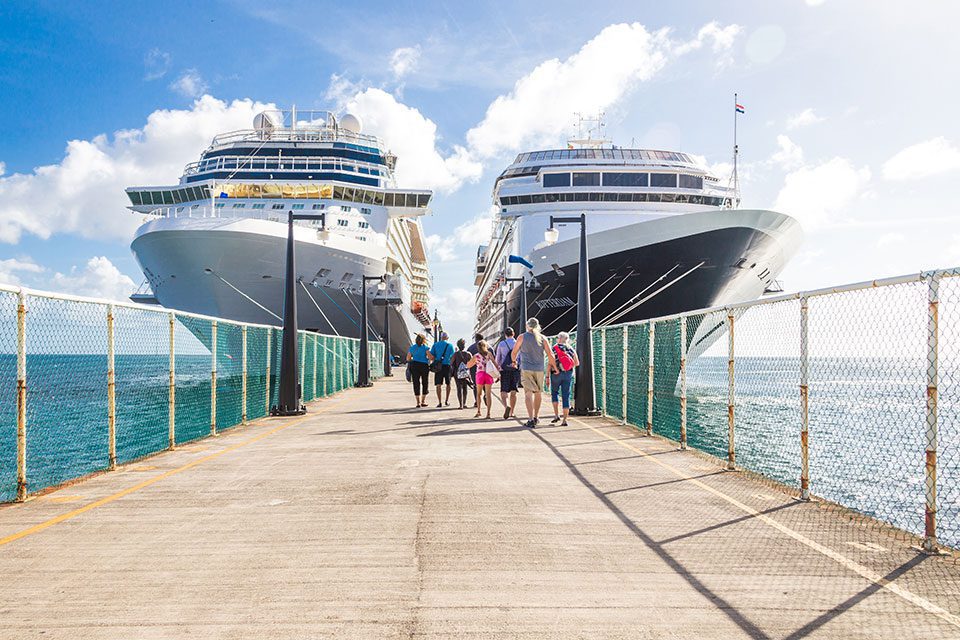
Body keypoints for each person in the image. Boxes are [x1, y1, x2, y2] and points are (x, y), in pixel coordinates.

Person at [511, 317, 558, 428]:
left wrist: (514, 362)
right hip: (539, 369)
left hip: (526, 368)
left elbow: (514, 352)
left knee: (528, 394)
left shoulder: (522, 337)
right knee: (538, 393)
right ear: (538, 326)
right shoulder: (543, 338)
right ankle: (536, 417)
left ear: (528, 326)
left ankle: (530, 419)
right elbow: (550, 355)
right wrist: (555, 368)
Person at [549, 332, 579, 426]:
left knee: (555, 393)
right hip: (568, 374)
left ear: (559, 338)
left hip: (556, 374)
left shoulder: (554, 348)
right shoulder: (571, 349)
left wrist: (547, 375)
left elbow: (550, 362)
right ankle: (565, 420)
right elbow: (577, 363)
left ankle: (556, 415)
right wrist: (567, 367)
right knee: (566, 396)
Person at [466, 340, 499, 419]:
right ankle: (488, 413)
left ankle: (479, 411)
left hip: (480, 374)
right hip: (488, 374)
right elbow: (495, 364)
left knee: (478, 394)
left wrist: (474, 362)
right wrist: (498, 374)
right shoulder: (489, 354)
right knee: (488, 395)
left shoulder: (476, 356)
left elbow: (468, 365)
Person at [496, 327, 520, 419]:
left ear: (505, 335)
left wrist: (498, 369)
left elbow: (498, 358)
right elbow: (520, 357)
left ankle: (506, 407)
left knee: (503, 391)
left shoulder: (501, 344)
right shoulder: (517, 343)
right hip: (515, 369)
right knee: (513, 391)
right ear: (513, 334)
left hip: (504, 369)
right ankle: (512, 412)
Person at [406, 333, 434, 407]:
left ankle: (417, 402)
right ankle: (423, 401)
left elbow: (408, 358)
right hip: (424, 366)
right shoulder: (425, 348)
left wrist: (414, 358)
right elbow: (431, 357)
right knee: (425, 382)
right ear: (423, 340)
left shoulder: (412, 347)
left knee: (416, 383)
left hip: (415, 365)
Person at [430, 332, 455, 408]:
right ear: (447, 338)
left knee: (438, 384)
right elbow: (452, 357)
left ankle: (439, 402)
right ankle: (446, 401)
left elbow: (432, 356)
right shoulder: (450, 345)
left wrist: (437, 359)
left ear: (440, 337)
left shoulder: (435, 345)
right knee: (448, 384)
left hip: (438, 366)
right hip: (447, 366)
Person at [451, 338, 473, 409]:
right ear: (464, 346)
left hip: (457, 373)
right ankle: (464, 403)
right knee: (465, 388)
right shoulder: (468, 354)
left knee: (459, 388)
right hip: (466, 373)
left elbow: (451, 362)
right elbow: (472, 363)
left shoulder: (455, 354)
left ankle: (460, 405)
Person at [466, 332, 483, 408]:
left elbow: (467, 359)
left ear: (475, 339)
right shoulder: (488, 347)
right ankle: (486, 396)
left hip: (474, 369)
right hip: (486, 369)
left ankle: (477, 401)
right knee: (486, 385)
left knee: (476, 385)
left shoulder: (470, 348)